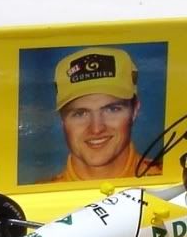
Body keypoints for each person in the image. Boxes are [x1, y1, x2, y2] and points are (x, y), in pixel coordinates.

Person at [45, 47, 162, 183]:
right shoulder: (39, 193)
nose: (96, 129)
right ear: (62, 119)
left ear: (135, 109)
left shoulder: (169, 182)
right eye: (80, 113)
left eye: (112, 109)